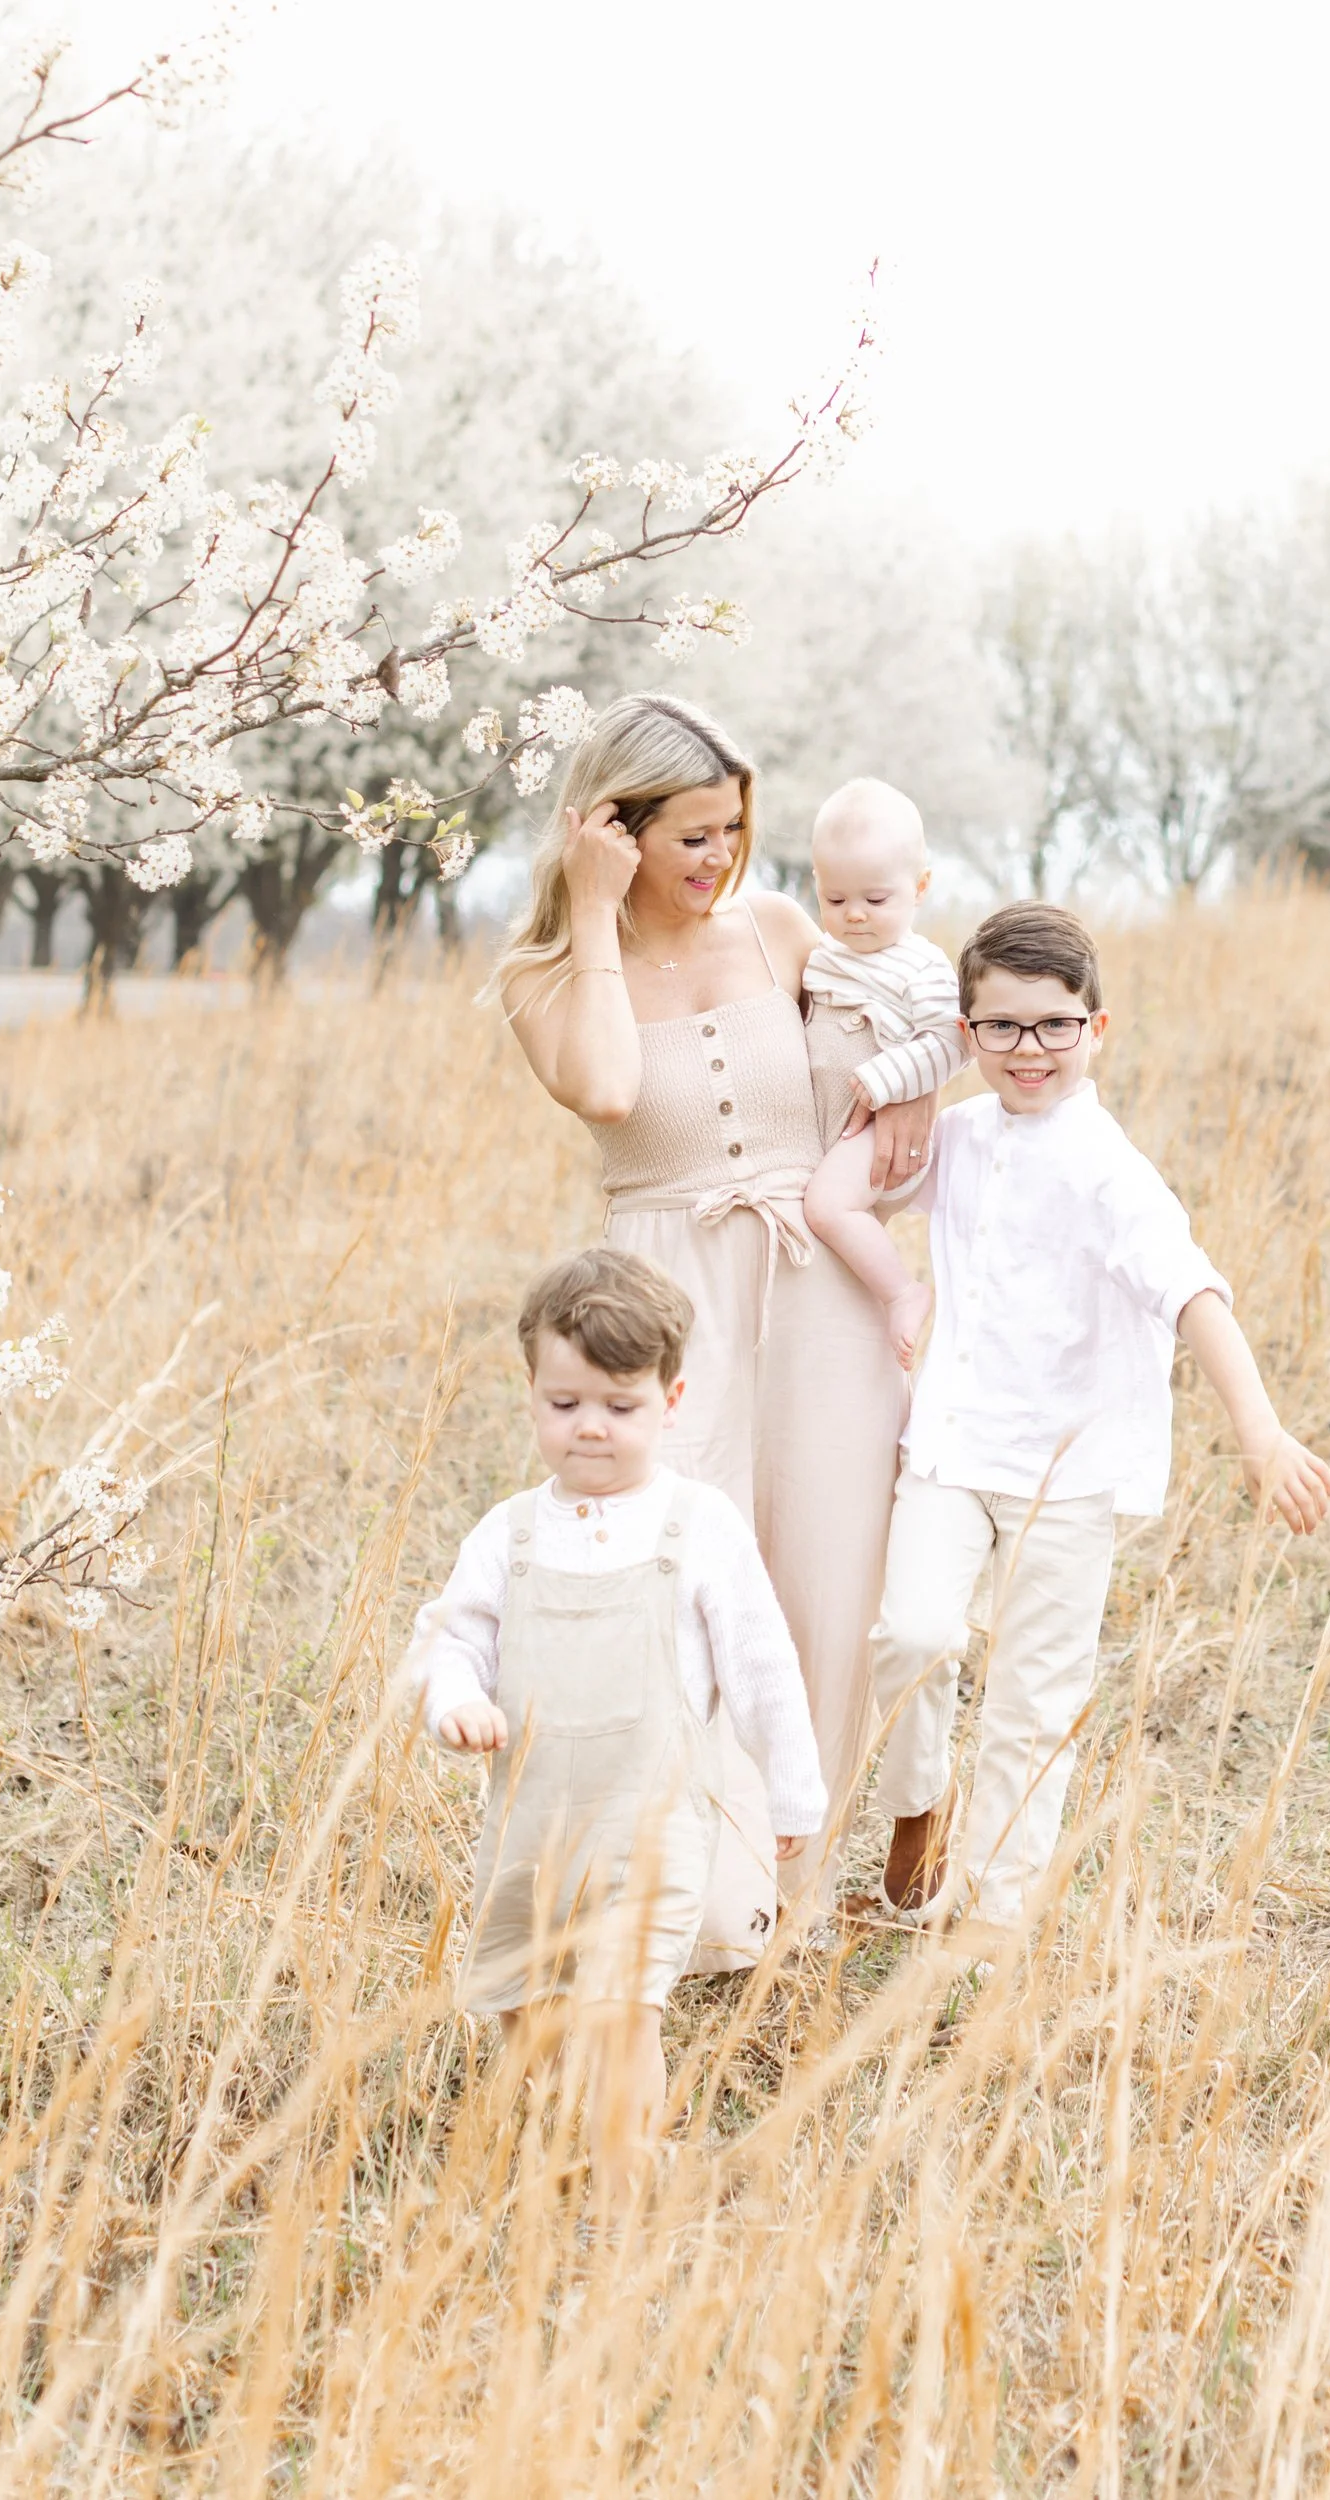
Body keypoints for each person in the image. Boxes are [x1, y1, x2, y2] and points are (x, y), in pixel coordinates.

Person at [486, 694, 924, 1962]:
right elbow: (610, 1086)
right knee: (675, 1581)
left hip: (814, 1284)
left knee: (827, 1581)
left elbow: (903, 1006)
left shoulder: (784, 929)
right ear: (610, 830)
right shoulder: (541, 976)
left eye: (731, 829)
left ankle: (798, 1880)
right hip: (666, 1304)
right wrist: (590, 912)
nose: (716, 860)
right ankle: (684, 1884)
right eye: (685, 835)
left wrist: (913, 1099)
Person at [864, 902, 1330, 1930]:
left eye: (1053, 1026)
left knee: (1032, 1705)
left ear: (1097, 1029)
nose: (1028, 1049)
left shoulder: (1111, 1172)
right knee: (910, 1632)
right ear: (967, 1033)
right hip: (946, 1449)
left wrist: (1258, 1431)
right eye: (1000, 1027)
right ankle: (917, 1802)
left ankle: (989, 1926)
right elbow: (853, 1195)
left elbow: (1193, 1295)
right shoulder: (952, 1136)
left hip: (1065, 1476)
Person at [406, 1247, 824, 2174]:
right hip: (532, 1823)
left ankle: (628, 2157)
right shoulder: (507, 1533)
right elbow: (450, 1642)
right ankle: (549, 2134)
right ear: (531, 1393)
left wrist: (793, 1794)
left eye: (620, 1407)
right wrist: (459, 1702)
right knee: (530, 1995)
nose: (589, 1429)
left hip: (651, 1821)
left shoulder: (699, 1525)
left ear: (670, 1403)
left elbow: (762, 1664)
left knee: (621, 2000)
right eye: (564, 1406)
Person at [798, 778, 965, 1369]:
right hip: (832, 1131)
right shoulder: (824, 953)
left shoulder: (922, 965)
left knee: (827, 1209)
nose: (856, 916)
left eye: (876, 899)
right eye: (837, 901)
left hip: (879, 1137)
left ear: (919, 888)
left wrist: (889, 1078)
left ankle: (902, 1292)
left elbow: (952, 1039)